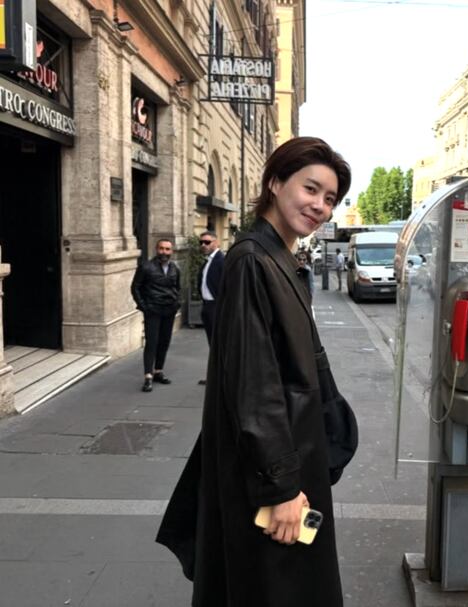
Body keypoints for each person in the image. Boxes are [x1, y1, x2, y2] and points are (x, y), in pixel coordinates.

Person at [156, 136, 352, 607]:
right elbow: (254, 385)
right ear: (275, 183)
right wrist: (281, 487)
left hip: (290, 456)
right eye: (311, 189)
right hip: (274, 472)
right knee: (272, 589)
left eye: (330, 198)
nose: (320, 206)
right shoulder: (251, 261)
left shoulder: (277, 257)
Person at [130, 239, 181, 392]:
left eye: (167, 249)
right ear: (156, 249)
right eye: (161, 248)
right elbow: (135, 287)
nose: (164, 252)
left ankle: (158, 371)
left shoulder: (175, 268)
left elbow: (177, 287)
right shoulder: (146, 267)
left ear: (171, 251)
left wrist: (177, 303)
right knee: (152, 343)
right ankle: (148, 376)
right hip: (153, 310)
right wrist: (144, 307)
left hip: (169, 310)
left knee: (164, 342)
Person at [196, 231, 225, 385]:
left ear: (216, 243)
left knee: (218, 345)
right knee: (213, 345)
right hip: (207, 307)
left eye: (207, 242)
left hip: (217, 308)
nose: (203, 245)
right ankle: (215, 377)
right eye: (201, 242)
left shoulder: (221, 260)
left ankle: (220, 378)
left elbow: (227, 287)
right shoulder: (208, 261)